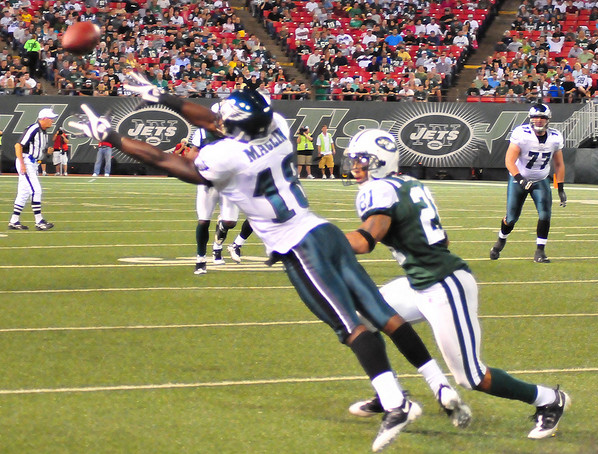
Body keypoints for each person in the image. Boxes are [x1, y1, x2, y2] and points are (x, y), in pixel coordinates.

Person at [70, 82, 467, 452]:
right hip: (323, 229)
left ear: (238, 127)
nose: (219, 119)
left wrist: (112, 137)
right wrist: (164, 97)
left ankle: (396, 402)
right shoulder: (277, 124)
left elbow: (165, 158)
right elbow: (214, 120)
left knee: (349, 327)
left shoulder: (226, 155)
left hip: (297, 246)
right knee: (382, 313)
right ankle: (437, 385)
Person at [341, 128, 571, 440]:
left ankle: (549, 399)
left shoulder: (378, 190)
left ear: (380, 162)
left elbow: (365, 240)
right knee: (361, 321)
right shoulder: (408, 183)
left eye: (362, 161)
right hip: (420, 280)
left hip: (443, 285)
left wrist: (317, 239)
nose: (355, 167)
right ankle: (390, 394)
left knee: (471, 376)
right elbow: (444, 238)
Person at [490, 104, 566, 263]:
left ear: (548, 119)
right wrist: (520, 179)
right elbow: (509, 160)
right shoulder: (521, 133)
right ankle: (501, 240)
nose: (538, 120)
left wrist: (560, 188)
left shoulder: (555, 136)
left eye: (542, 117)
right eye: (535, 117)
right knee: (511, 218)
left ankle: (540, 251)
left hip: (540, 180)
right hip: (519, 179)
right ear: (530, 119)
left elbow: (559, 164)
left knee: (545, 215)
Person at [189, 118, 251, 274]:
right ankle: (200, 260)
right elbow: (193, 153)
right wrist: (195, 165)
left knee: (230, 222)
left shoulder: (237, 134)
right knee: (203, 220)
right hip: (207, 182)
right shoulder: (202, 132)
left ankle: (219, 239)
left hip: (229, 182)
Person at [8, 108, 56, 231]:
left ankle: (14, 221)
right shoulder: (34, 128)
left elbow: (39, 151)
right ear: (44, 118)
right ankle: (39, 221)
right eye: (51, 118)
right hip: (26, 161)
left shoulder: (44, 132)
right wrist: (22, 164)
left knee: (23, 192)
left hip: (32, 163)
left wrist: (47, 152)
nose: (52, 121)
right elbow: (18, 145)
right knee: (36, 190)